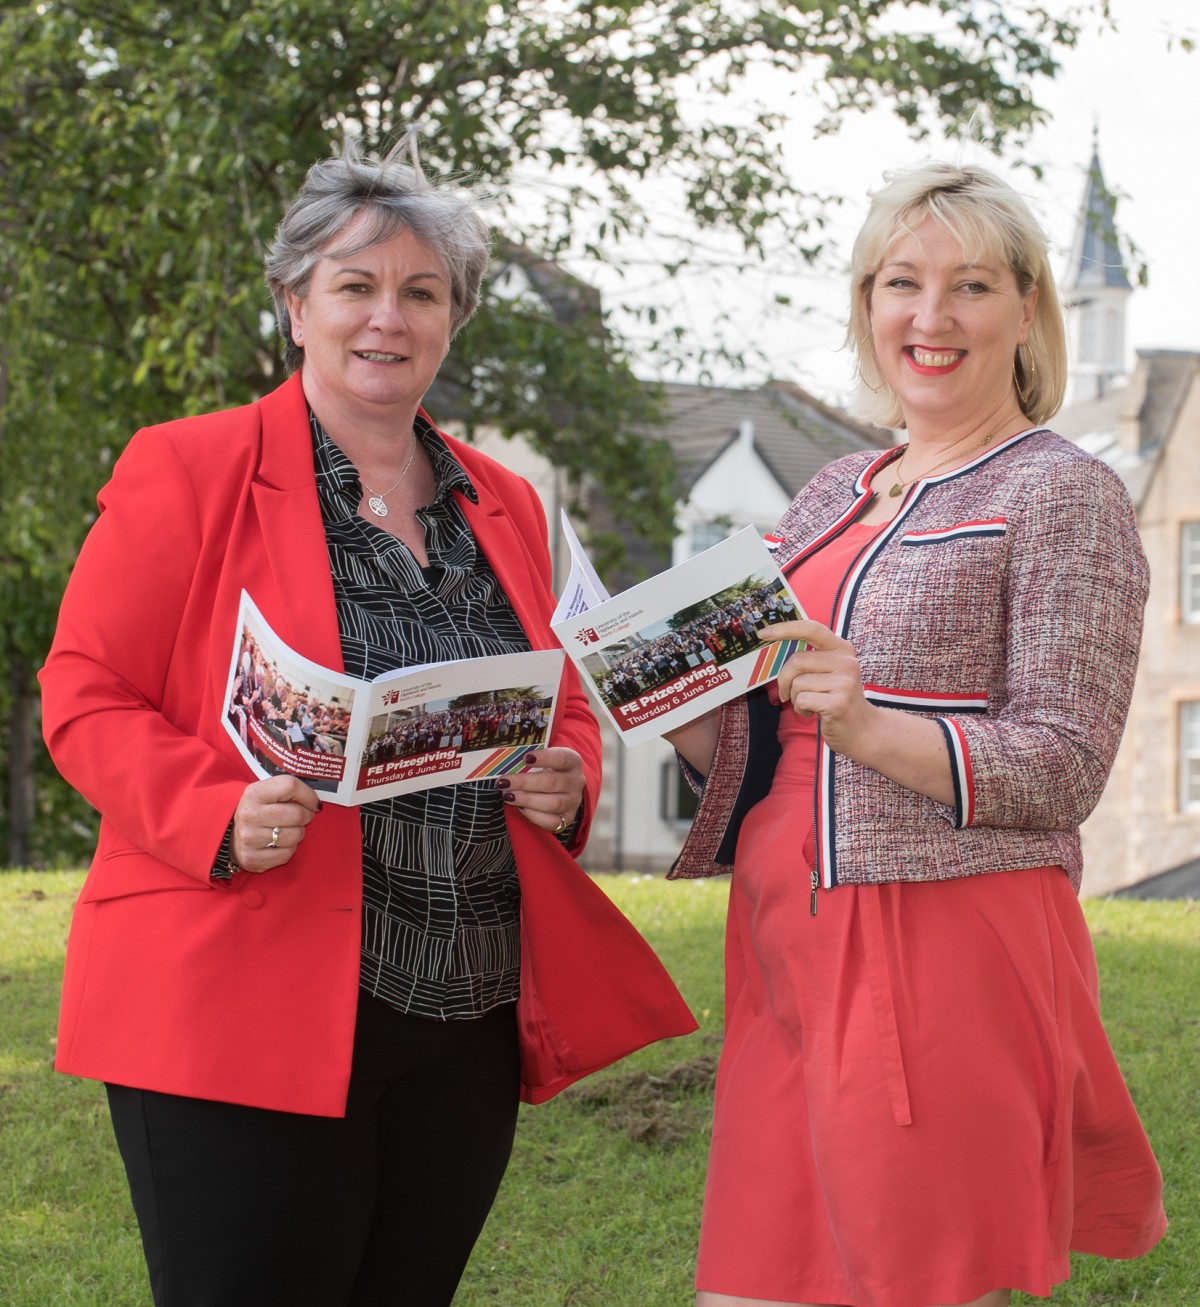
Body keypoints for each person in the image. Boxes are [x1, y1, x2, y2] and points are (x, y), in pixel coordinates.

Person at [39, 136, 694, 1307]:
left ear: (452, 320)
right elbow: (84, 690)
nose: (387, 317)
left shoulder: (505, 498)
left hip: (465, 1008)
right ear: (296, 305)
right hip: (243, 992)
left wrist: (568, 776)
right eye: (355, 285)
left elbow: (560, 694)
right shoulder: (186, 467)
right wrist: (215, 813)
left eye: (421, 292)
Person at [667, 162, 1166, 1307]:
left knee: (913, 1283)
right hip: (783, 935)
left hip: (942, 940)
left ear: (1027, 310)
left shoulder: (1064, 492)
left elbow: (1067, 762)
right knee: (750, 1285)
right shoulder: (833, 489)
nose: (931, 316)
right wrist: (675, 705)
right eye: (902, 282)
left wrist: (868, 723)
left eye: (971, 285)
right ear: (867, 303)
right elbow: (762, 744)